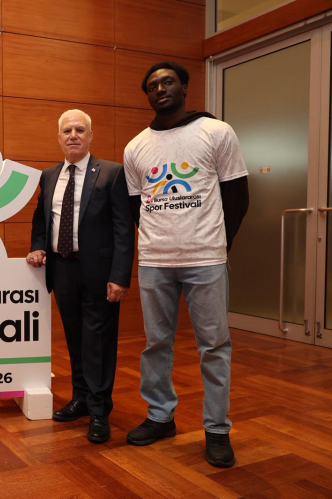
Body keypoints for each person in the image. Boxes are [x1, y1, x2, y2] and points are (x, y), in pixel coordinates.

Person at [124, 61, 249, 468]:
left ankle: (217, 429)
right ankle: (160, 417)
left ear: (184, 87)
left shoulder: (217, 132)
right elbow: (136, 208)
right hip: (154, 261)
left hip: (206, 259)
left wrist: (218, 244)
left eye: (168, 82)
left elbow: (237, 197)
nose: (160, 89)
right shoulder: (135, 147)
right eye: (152, 86)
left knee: (214, 346)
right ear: (147, 95)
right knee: (155, 344)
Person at [27, 109, 134, 443]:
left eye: (79, 130)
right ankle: (81, 399)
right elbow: (41, 219)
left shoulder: (112, 173)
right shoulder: (48, 176)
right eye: (67, 130)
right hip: (62, 269)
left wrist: (120, 276)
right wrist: (38, 246)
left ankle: (100, 410)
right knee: (74, 338)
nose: (73, 135)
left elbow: (123, 229)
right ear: (59, 137)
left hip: (100, 273)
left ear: (90, 136)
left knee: (98, 341)